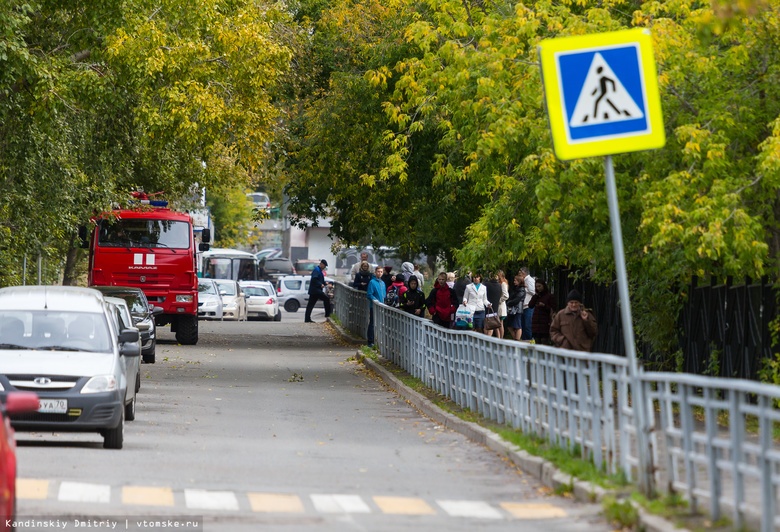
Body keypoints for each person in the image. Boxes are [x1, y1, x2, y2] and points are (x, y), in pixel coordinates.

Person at [528, 279, 555, 345]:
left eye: (539, 286)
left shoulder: (549, 296)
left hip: (545, 321)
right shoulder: (537, 296)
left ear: (543, 286)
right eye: (536, 287)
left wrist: (544, 305)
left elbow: (553, 308)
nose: (538, 288)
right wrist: (536, 296)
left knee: (544, 340)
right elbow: (530, 305)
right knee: (537, 341)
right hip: (536, 321)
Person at [366, 266, 385, 347]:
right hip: (374, 306)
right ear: (375, 272)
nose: (379, 273)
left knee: (380, 323)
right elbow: (369, 294)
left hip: (382, 306)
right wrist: (375, 301)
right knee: (372, 323)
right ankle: (370, 341)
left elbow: (384, 295)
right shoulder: (372, 282)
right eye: (378, 272)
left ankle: (378, 340)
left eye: (381, 272)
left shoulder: (383, 283)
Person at [505, 275, 525, 340]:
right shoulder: (515, 288)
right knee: (509, 325)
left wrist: (509, 303)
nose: (514, 282)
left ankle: (517, 339)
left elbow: (517, 299)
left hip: (517, 309)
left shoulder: (521, 290)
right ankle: (515, 338)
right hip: (512, 309)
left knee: (517, 325)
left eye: (515, 280)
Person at [518, 267, 536, 340]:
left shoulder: (529, 280)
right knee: (524, 325)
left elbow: (533, 292)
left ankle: (530, 340)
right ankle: (525, 340)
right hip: (524, 306)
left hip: (528, 305)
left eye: (520, 273)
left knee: (528, 325)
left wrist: (525, 288)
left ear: (524, 273)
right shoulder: (525, 280)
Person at [485, 272, 503, 338]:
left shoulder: (486, 285)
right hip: (496, 305)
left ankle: (487, 338)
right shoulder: (499, 285)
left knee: (488, 323)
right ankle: (499, 339)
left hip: (487, 305)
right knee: (495, 323)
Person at [497, 270, 509, 339]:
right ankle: (499, 338)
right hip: (499, 306)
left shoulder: (503, 284)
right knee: (498, 323)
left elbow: (506, 295)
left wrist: (499, 301)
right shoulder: (500, 283)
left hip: (500, 305)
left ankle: (500, 338)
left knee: (500, 323)